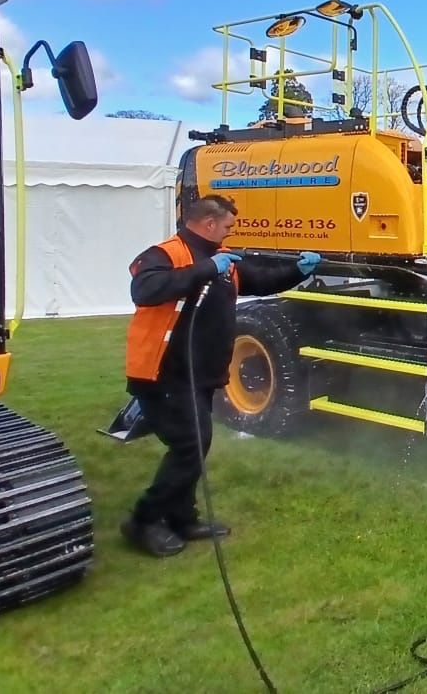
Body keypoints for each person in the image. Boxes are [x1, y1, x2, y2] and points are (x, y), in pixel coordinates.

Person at [120, 194, 322, 558]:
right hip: (163, 373)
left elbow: (259, 280)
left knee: (196, 445)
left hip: (198, 374)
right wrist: (205, 269)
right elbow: (144, 289)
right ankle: (143, 521)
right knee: (188, 445)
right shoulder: (166, 254)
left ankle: (182, 517)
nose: (231, 231)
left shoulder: (222, 260)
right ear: (209, 223)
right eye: (227, 225)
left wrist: (298, 271)